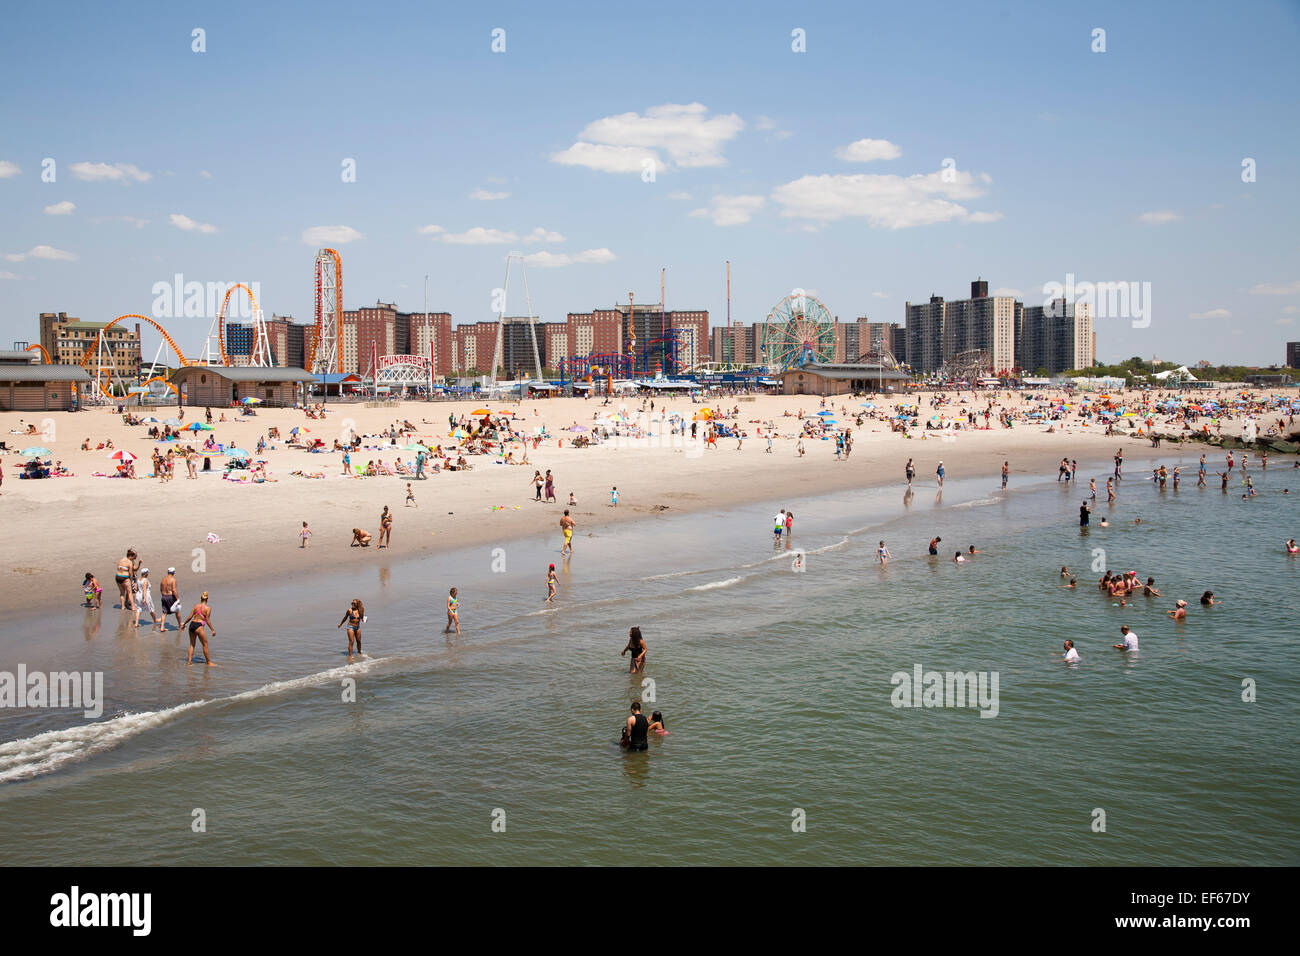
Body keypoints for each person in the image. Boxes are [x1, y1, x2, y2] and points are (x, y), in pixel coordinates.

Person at [183, 592, 217, 666]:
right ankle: (208, 662)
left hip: (192, 625)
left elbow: (190, 617)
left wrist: (184, 624)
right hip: (199, 626)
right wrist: (212, 630)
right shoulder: (208, 608)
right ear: (207, 599)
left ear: (201, 599)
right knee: (205, 644)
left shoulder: (196, 606)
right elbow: (207, 620)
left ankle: (189, 662)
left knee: (192, 645)